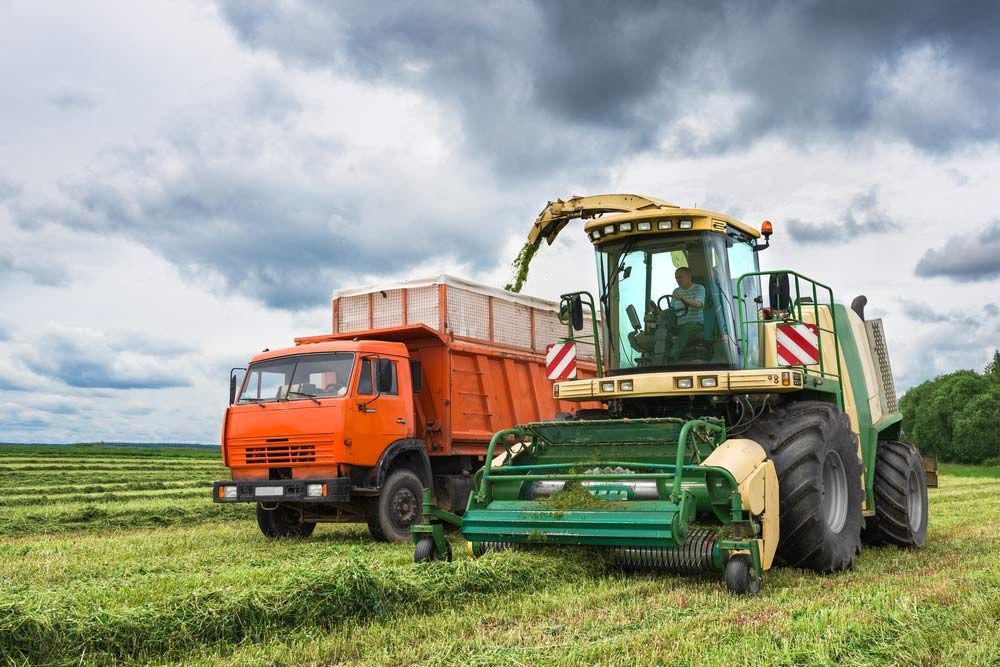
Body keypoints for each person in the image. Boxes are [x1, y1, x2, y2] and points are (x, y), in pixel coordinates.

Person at [670, 266, 705, 360]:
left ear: (689, 276)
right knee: (663, 329)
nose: (678, 280)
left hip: (696, 323)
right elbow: (672, 310)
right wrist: (658, 312)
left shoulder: (699, 288)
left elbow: (699, 304)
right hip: (679, 324)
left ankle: (672, 357)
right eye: (676, 278)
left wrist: (683, 298)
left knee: (686, 328)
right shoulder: (676, 291)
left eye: (680, 277)